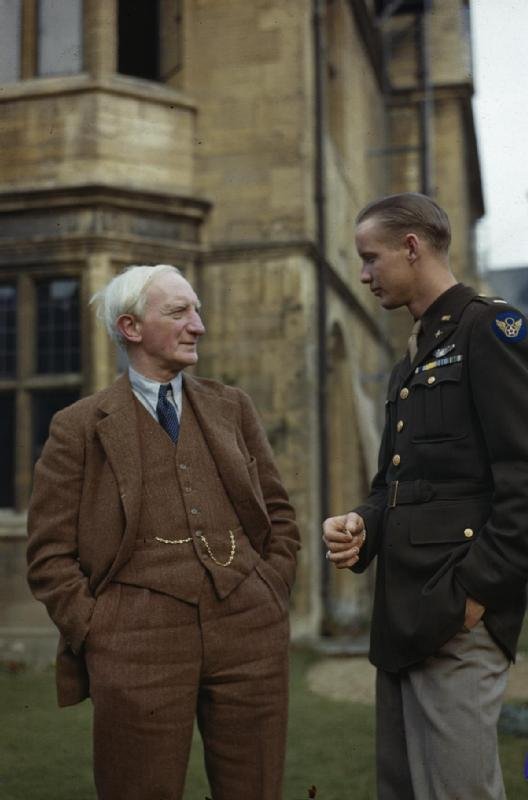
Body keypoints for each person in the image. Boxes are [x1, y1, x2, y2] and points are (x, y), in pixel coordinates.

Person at [27, 264, 300, 800]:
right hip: (133, 642)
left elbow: (279, 515)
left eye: (196, 310)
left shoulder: (232, 406)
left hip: (249, 630)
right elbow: (48, 555)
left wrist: (272, 588)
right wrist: (98, 627)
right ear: (131, 328)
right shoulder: (78, 426)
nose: (197, 325)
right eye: (179, 312)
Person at [323, 193, 528, 799]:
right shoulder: (411, 358)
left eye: (370, 258)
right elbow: (396, 484)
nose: (362, 275)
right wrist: (362, 524)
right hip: (403, 615)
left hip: (457, 616)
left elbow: (524, 478)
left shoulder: (492, 329)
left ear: (412, 248)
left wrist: (476, 595)